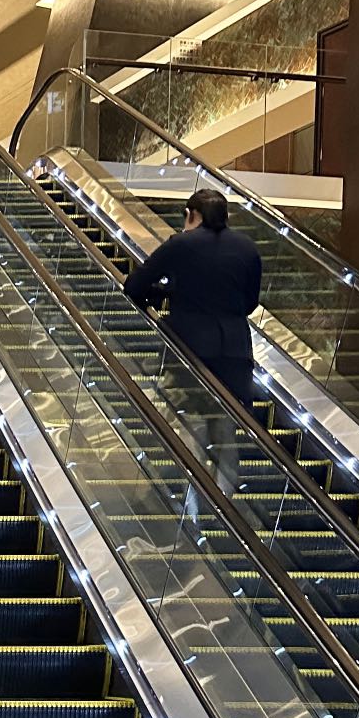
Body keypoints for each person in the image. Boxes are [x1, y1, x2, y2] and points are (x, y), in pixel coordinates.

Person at [123, 186, 263, 498]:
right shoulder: (247, 248)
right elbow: (250, 302)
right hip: (235, 353)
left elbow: (134, 285)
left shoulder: (182, 244)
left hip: (190, 351)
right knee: (227, 427)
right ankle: (226, 502)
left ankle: (194, 500)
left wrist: (166, 294)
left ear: (191, 214)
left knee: (190, 424)